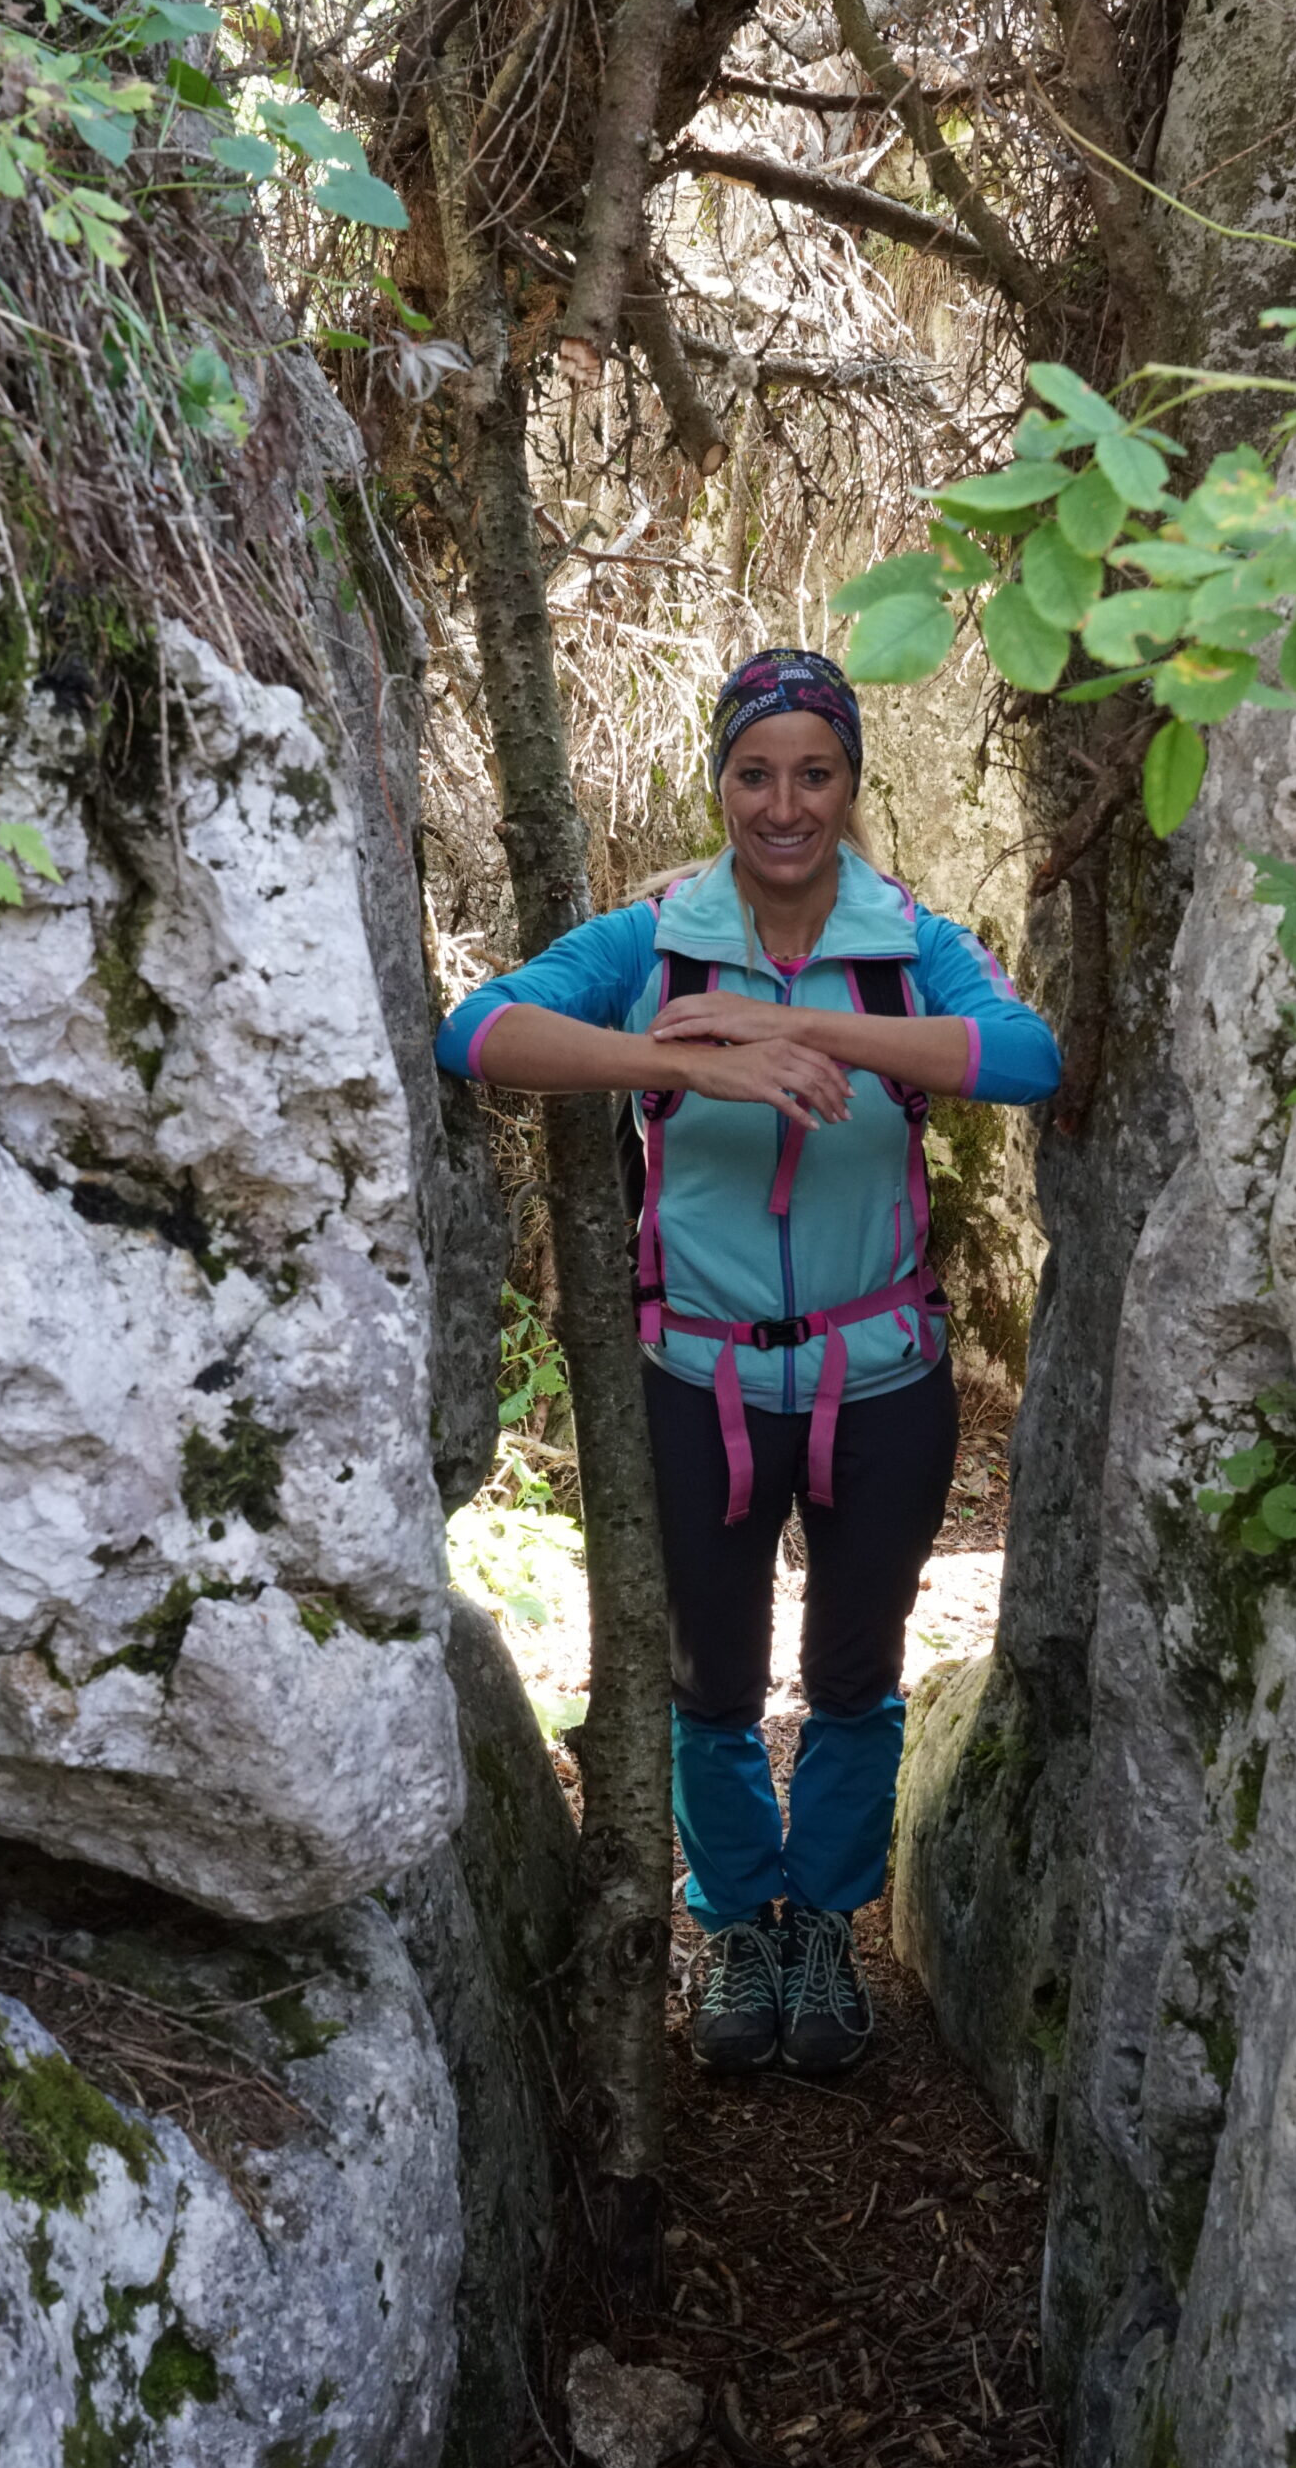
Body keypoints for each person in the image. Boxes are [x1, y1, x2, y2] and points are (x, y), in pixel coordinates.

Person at [435, 648, 1061, 2077]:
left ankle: (823, 1925)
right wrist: (685, 1066)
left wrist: (795, 1024)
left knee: (855, 1666)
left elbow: (1029, 1058)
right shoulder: (657, 938)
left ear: (852, 785)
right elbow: (476, 1029)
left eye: (815, 773)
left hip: (882, 1377)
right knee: (712, 1680)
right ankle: (736, 1921)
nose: (784, 805)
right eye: (755, 772)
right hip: (695, 1379)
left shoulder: (908, 940)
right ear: (724, 780)